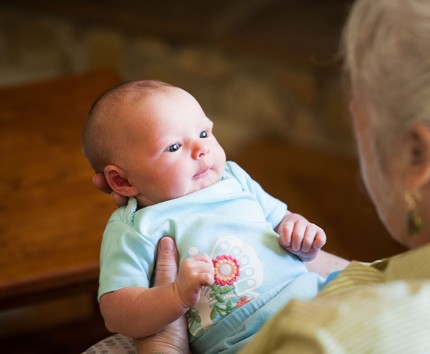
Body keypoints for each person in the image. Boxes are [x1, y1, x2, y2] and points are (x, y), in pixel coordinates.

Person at [89, 0, 430, 352]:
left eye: (359, 101)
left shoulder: (328, 342)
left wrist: (164, 339)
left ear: (420, 156)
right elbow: (383, 273)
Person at [82, 80, 348, 353]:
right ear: (122, 180)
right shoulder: (135, 226)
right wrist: (173, 296)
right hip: (247, 340)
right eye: (174, 147)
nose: (202, 149)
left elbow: (281, 219)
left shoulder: (233, 177)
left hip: (315, 297)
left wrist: (298, 231)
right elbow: (117, 312)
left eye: (204, 133)